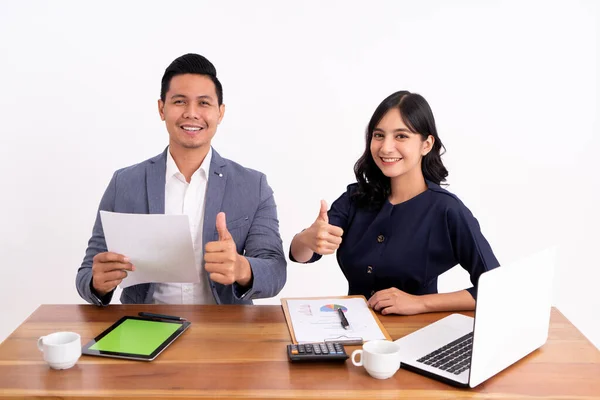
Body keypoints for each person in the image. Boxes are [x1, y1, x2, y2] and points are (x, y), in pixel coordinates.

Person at [76, 53, 286, 306]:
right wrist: (97, 283)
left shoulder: (253, 185)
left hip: (225, 329)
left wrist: (242, 268)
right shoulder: (125, 182)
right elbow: (88, 271)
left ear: (220, 113)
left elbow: (275, 270)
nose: (191, 113)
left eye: (204, 103)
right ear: (161, 108)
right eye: (179, 101)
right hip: (145, 324)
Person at [290, 90, 499, 315]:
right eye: (379, 135)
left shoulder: (447, 210)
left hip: (419, 334)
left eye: (401, 136)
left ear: (426, 144)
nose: (386, 148)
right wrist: (307, 239)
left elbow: (496, 287)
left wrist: (420, 303)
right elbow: (301, 255)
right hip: (353, 329)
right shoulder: (355, 198)